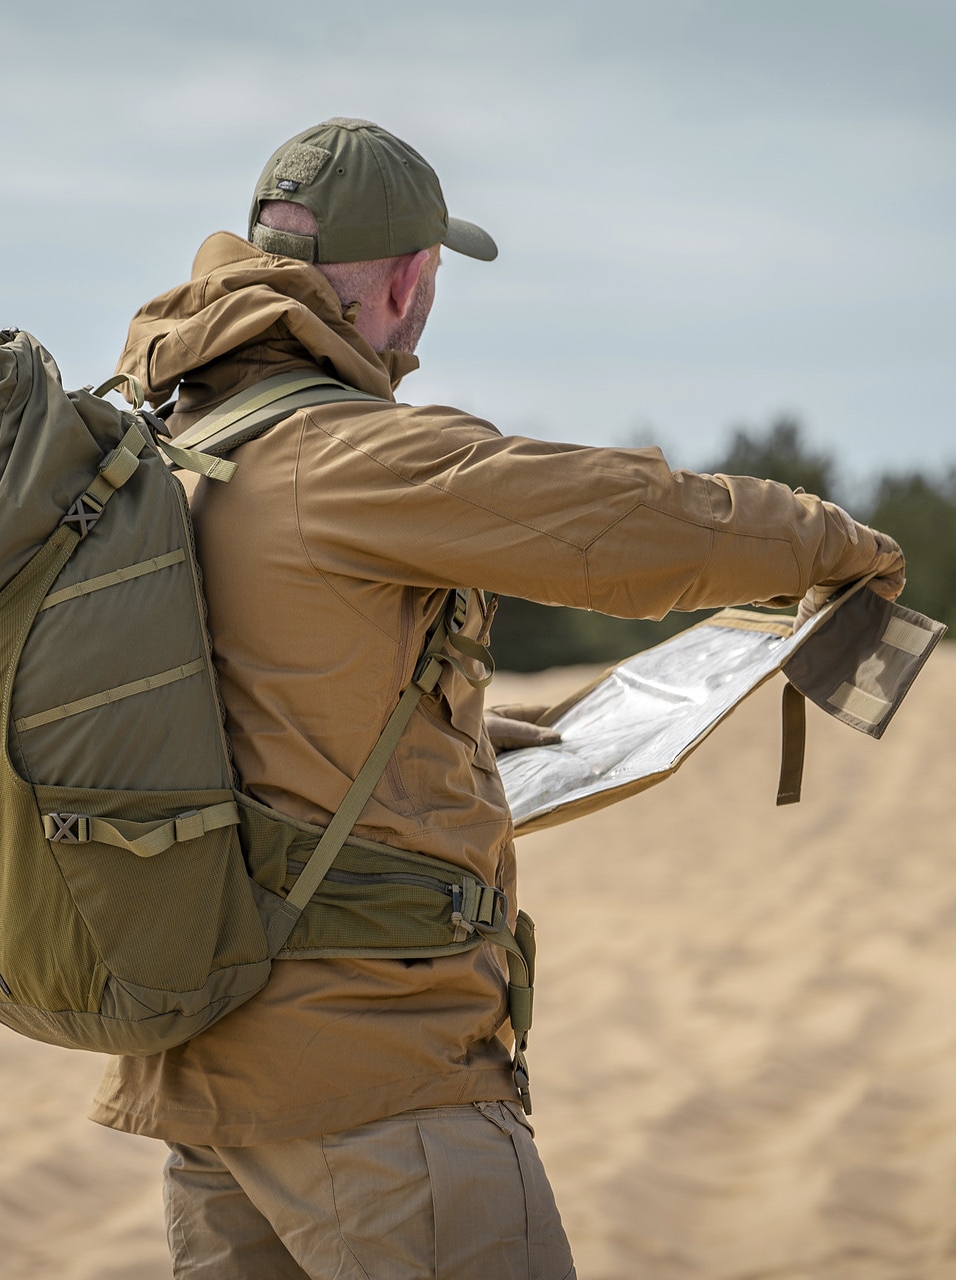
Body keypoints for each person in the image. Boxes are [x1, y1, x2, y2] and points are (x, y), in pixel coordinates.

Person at [97, 118, 907, 1279]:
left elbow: (245, 702)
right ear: (408, 279)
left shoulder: (178, 447)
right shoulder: (349, 457)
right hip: (373, 1089)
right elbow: (615, 519)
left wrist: (458, 731)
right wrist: (826, 541)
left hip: (210, 1085)